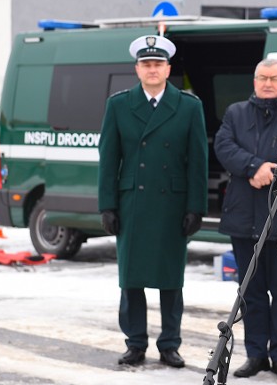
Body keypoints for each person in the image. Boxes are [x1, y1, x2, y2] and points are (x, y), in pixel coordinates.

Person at [97, 34, 208, 369]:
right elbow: (108, 158)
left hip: (171, 205)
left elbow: (198, 162)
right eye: (146, 64)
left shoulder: (190, 106)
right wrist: (107, 205)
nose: (152, 69)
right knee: (131, 280)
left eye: (158, 64)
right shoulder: (118, 105)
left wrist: (196, 207)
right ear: (137, 69)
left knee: (171, 281)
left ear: (168, 68)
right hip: (133, 204)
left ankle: (170, 344)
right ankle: (135, 344)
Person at [214, 59, 277, 380]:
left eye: (275, 78)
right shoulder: (236, 113)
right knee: (249, 292)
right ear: (254, 81)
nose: (267, 83)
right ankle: (255, 354)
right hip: (244, 218)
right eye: (262, 77)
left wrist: (275, 174)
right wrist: (253, 167)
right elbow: (223, 145)